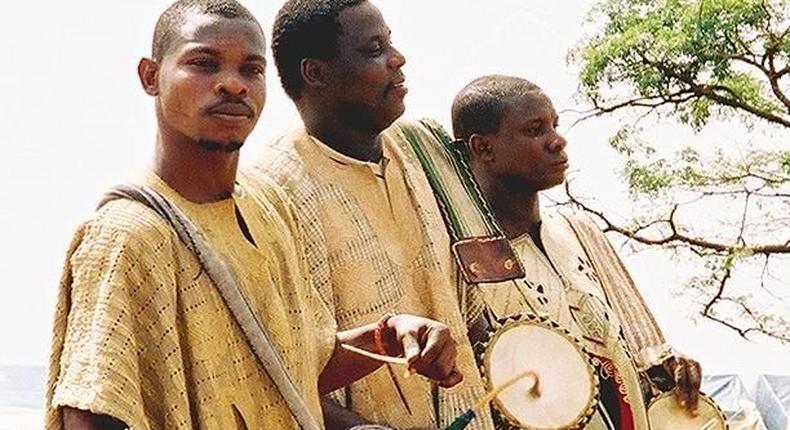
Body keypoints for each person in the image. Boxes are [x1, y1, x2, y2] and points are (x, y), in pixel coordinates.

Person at [44, 1, 464, 429]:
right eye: (203, 64)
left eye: (251, 69)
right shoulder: (127, 236)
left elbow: (298, 368)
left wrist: (388, 337)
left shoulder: (266, 208)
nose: (232, 84)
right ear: (151, 77)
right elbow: (91, 412)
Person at [254, 1, 495, 428]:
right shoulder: (269, 191)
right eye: (373, 48)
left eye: (391, 42)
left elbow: (476, 314)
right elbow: (278, 375)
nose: (397, 59)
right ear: (316, 73)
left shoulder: (424, 150)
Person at [451, 74, 704, 429]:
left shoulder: (579, 233)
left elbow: (647, 356)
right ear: (483, 148)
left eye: (554, 125)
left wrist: (674, 370)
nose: (557, 140)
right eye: (535, 129)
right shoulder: (463, 259)